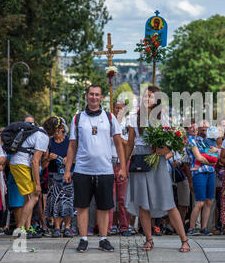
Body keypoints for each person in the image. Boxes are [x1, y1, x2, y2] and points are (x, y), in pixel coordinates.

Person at [124, 86, 190, 252]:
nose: (147, 98)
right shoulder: (134, 118)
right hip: (139, 159)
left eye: (151, 96)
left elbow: (171, 144)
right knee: (142, 203)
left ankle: (184, 240)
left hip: (157, 161)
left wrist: (164, 150)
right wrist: (123, 166)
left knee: (168, 200)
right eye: (145, 95)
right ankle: (149, 239)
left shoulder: (163, 118)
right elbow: (130, 143)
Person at [64, 84, 127, 253]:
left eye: (97, 95)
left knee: (104, 206)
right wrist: (68, 170)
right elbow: (72, 145)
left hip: (105, 169)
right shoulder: (78, 118)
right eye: (91, 94)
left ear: (101, 97)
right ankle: (83, 239)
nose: (94, 97)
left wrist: (122, 167)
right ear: (87, 96)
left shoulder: (109, 117)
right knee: (82, 206)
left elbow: (118, 143)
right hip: (83, 169)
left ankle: (103, 239)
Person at [10, 117, 56, 239]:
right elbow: (36, 161)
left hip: (19, 162)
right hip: (21, 164)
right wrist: (37, 184)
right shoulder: (43, 137)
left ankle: (27, 228)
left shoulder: (37, 130)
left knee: (28, 198)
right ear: (55, 130)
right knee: (34, 197)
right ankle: (20, 230)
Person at [42, 117, 74, 238]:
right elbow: (43, 165)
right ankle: (56, 227)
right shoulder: (49, 142)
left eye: (56, 130)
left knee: (67, 200)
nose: (54, 133)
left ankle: (67, 227)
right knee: (54, 201)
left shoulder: (69, 141)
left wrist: (69, 160)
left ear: (61, 129)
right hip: (53, 175)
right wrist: (48, 158)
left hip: (68, 175)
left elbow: (77, 158)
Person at [108, 100, 131, 236]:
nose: (118, 111)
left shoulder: (128, 125)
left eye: (121, 109)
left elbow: (129, 144)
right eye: (116, 108)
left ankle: (124, 226)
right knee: (109, 197)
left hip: (122, 162)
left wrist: (118, 138)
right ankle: (108, 227)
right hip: (108, 162)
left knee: (122, 198)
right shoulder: (107, 122)